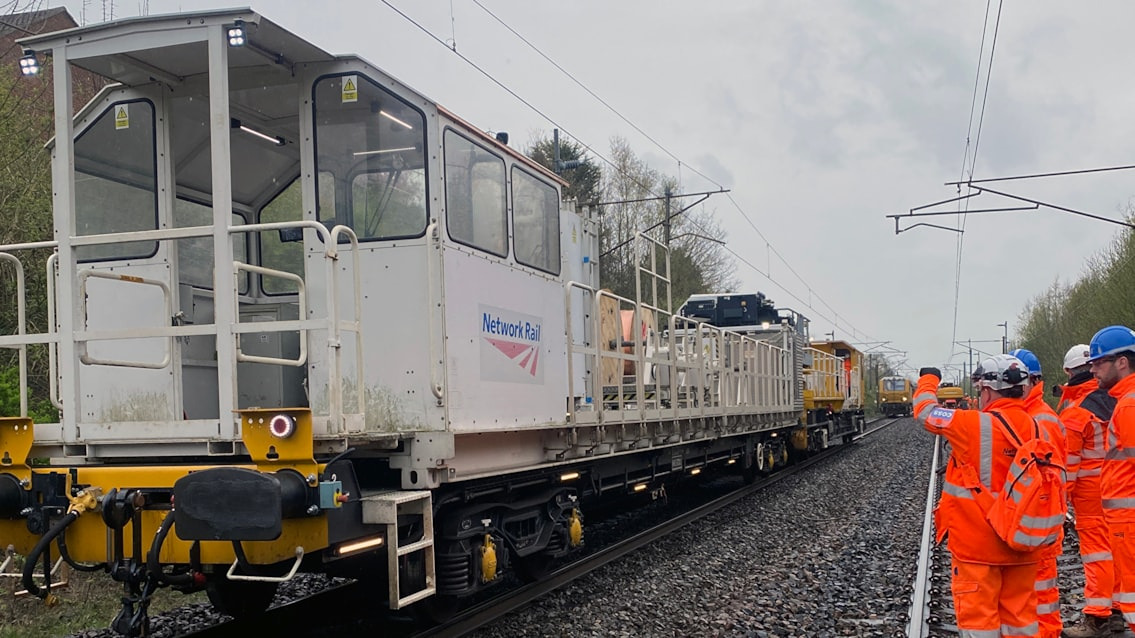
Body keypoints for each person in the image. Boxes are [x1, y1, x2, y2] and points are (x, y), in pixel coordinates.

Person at [914, 354, 1046, 637]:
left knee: (979, 623)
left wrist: (928, 379)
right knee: (1021, 623)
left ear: (986, 390)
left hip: (977, 550)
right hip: (1022, 544)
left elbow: (925, 411)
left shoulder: (969, 424)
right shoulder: (1037, 426)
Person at [1059, 343, 1118, 638]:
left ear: (1069, 372)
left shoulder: (1076, 413)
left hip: (1091, 495)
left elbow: (1067, 467)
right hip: (1119, 488)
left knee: (1097, 555)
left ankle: (1097, 618)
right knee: (1116, 551)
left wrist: (1058, 503)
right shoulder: (1117, 399)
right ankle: (1118, 610)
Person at [1011, 348, 1069, 638]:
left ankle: (1047, 634)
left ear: (1032, 381)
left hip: (1039, 523)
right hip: (1034, 523)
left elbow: (1045, 480)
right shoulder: (1030, 414)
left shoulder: (1040, 420)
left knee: (1041, 592)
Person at [1089, 326, 1135, 634]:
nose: (1092, 369)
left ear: (1121, 362)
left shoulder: (1129, 404)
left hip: (1129, 519)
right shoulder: (1126, 400)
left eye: (1098, 362)